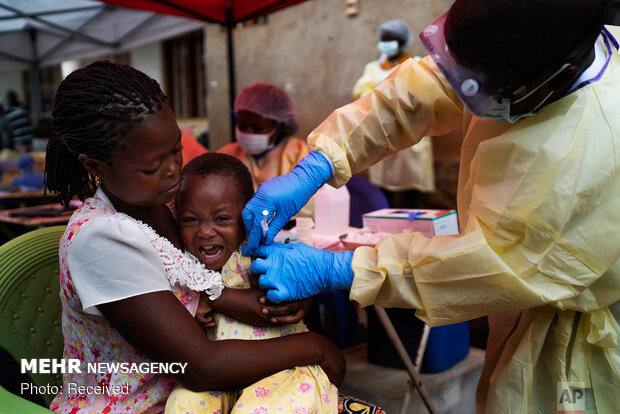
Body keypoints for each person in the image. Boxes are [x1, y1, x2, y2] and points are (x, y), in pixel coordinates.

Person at [241, 0, 620, 412]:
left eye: (478, 83)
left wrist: (339, 268)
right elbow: (417, 92)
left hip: (575, 343)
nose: (461, 86)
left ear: (553, 77)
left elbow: (488, 264)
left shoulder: (593, 151)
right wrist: (320, 162)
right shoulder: (525, 56)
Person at [43, 61, 344, 413]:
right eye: (152, 166)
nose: (173, 170)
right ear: (94, 166)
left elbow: (237, 268)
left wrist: (285, 295)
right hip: (142, 405)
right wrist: (317, 348)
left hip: (215, 390)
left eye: (175, 150)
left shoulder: (176, 202)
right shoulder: (99, 239)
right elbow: (200, 367)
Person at [166, 152, 338, 412]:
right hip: (222, 377)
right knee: (182, 404)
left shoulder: (256, 255)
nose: (205, 231)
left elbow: (268, 309)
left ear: (247, 216)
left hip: (283, 372)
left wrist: (208, 296)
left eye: (222, 219)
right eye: (191, 220)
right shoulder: (184, 263)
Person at [352, 19, 434, 209]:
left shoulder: (417, 63)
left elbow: (424, 94)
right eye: (384, 39)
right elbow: (361, 93)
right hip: (382, 132)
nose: (386, 43)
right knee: (383, 187)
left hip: (411, 132)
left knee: (411, 188)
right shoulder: (373, 67)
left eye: (391, 38)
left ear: (401, 40)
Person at [218, 83, 314, 217]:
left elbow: (309, 206)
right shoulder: (227, 155)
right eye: (242, 125)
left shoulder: (299, 152)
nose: (248, 132)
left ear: (279, 125)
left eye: (258, 128)